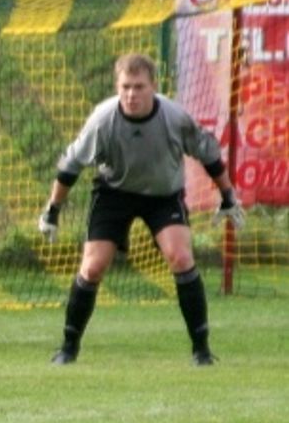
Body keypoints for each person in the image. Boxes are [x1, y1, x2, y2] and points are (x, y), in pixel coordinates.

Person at [37, 52, 246, 366]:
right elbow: (70, 167)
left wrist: (228, 196)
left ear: (154, 87)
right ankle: (68, 348)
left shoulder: (174, 117)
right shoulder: (103, 118)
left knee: (181, 257)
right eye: (125, 87)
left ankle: (202, 351)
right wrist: (53, 210)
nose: (131, 94)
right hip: (114, 193)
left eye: (139, 87)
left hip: (163, 195)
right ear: (117, 87)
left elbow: (209, 154)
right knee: (93, 267)